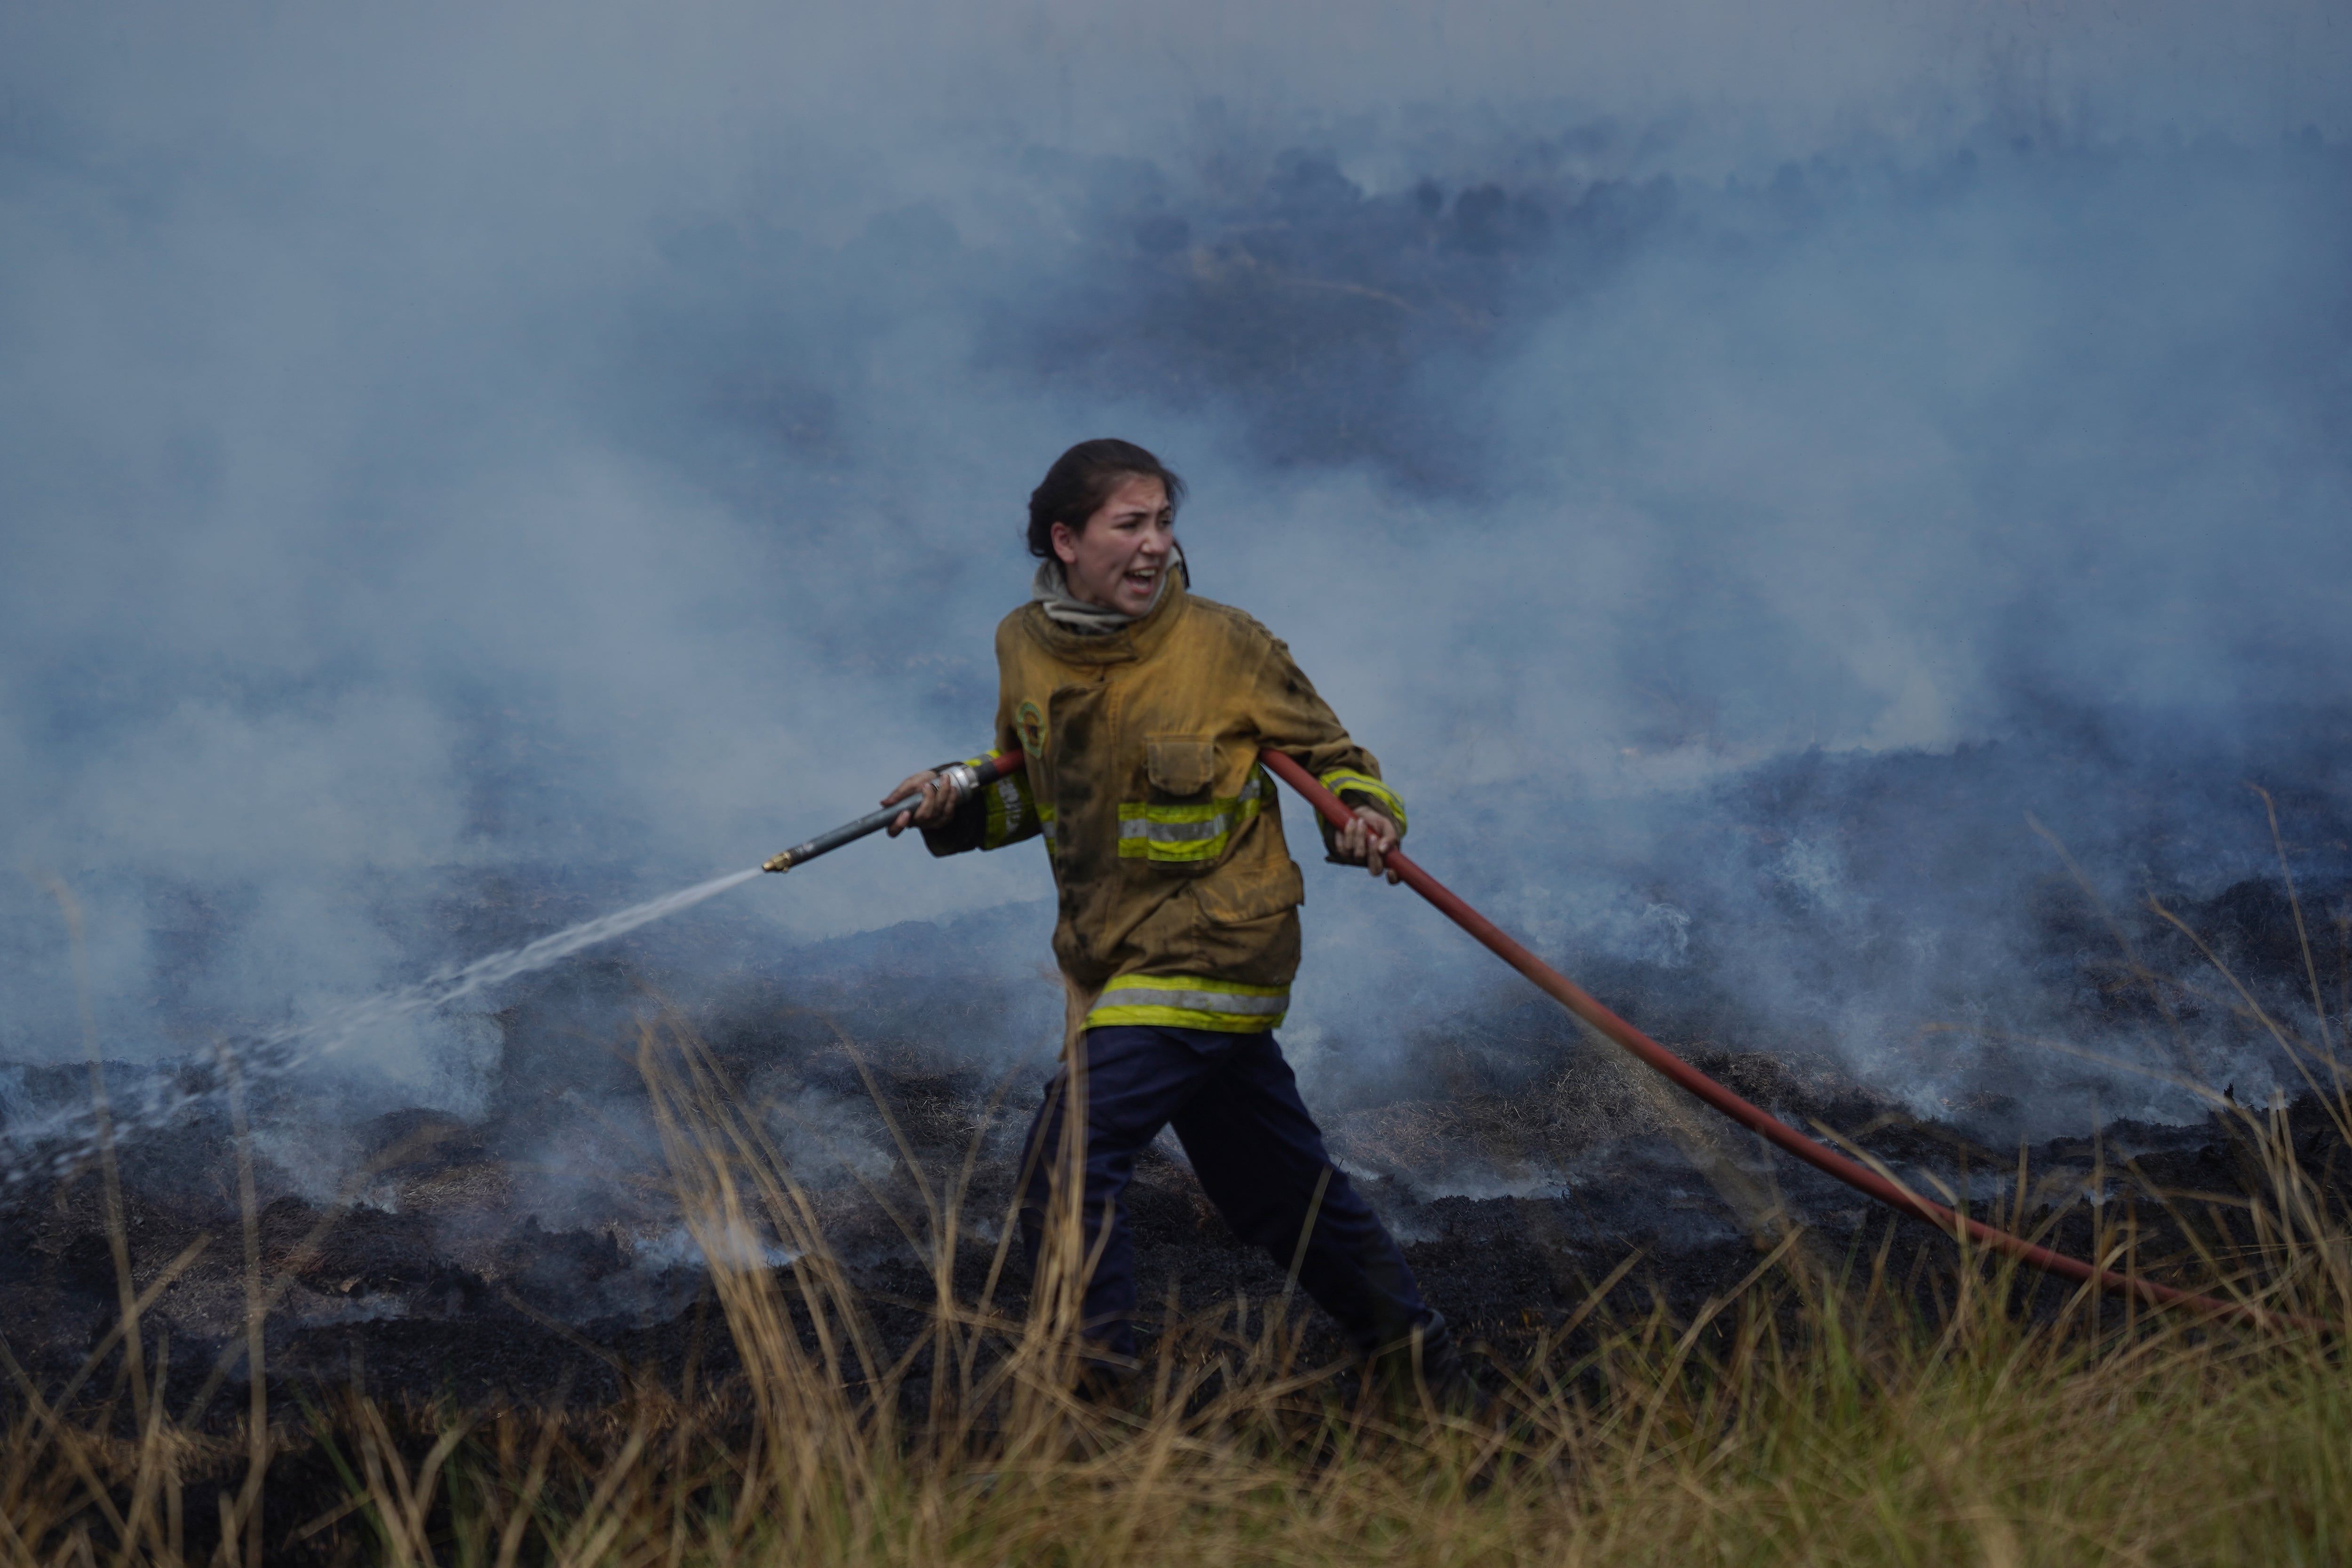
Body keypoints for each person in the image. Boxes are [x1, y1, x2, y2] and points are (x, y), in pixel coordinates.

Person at [883, 438, 1463, 1398]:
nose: (1154, 546)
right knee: (1278, 1196)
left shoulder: (1226, 643)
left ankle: (1087, 1418)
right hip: (1114, 960)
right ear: (1066, 540)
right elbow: (1037, 789)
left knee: (1069, 1154)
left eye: (1163, 523)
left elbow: (1335, 754)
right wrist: (955, 805)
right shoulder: (1023, 644)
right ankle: (1429, 1374)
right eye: (1130, 524)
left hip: (1218, 947)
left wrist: (1365, 813)